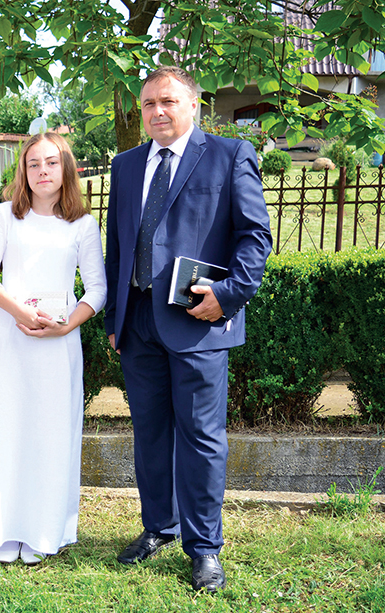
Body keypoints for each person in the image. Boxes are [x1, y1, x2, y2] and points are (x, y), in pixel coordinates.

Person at [104, 66, 272, 592]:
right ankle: (159, 526)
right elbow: (117, 247)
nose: (157, 111)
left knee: (201, 438)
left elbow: (255, 237)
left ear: (193, 105)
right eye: (149, 103)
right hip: (138, 324)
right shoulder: (126, 165)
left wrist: (227, 295)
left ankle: (204, 549)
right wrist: (115, 320)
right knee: (150, 434)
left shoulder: (229, 155)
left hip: (199, 323)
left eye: (168, 101)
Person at [0, 132, 106, 565]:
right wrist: (19, 312)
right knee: (7, 428)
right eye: (33, 164)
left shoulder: (82, 225)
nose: (42, 171)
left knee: (49, 433)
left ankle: (43, 529)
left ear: (66, 168)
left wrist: (67, 325)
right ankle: (3, 526)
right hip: (13, 337)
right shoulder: (4, 216)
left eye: (50, 162)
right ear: (22, 172)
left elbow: (97, 289)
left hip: (59, 344)